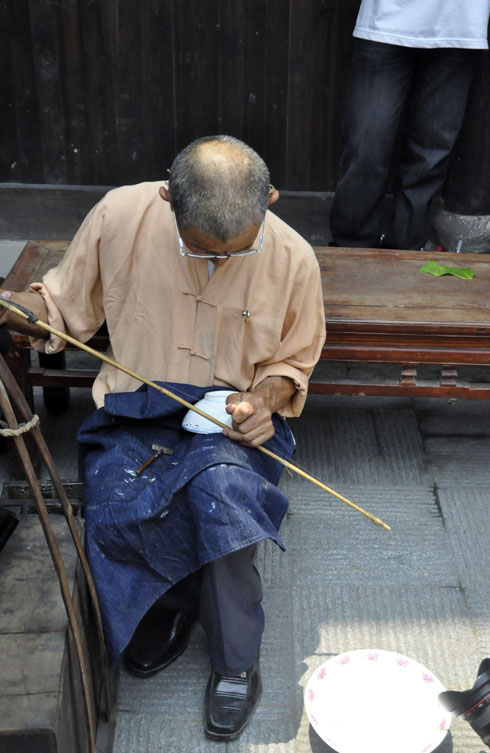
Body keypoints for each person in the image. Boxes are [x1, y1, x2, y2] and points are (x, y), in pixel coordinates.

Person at [0, 135, 326, 741]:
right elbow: (59, 307)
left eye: (237, 251)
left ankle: (235, 659)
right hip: (135, 407)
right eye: (200, 248)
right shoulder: (119, 216)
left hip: (229, 414)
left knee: (222, 497)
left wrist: (264, 402)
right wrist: (13, 308)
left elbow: (292, 362)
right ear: (167, 198)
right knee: (118, 498)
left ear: (270, 202)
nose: (218, 262)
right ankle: (170, 607)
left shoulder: (293, 258)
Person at [329, 0, 490, 251]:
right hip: (386, 21)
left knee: (430, 157)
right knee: (366, 150)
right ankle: (349, 251)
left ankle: (406, 253)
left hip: (460, 25)